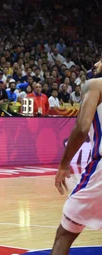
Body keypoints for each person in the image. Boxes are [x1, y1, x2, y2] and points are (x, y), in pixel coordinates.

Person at [51, 59, 102, 255]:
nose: (95, 64)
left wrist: (64, 165)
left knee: (65, 233)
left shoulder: (95, 85)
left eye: (100, 60)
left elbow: (81, 129)